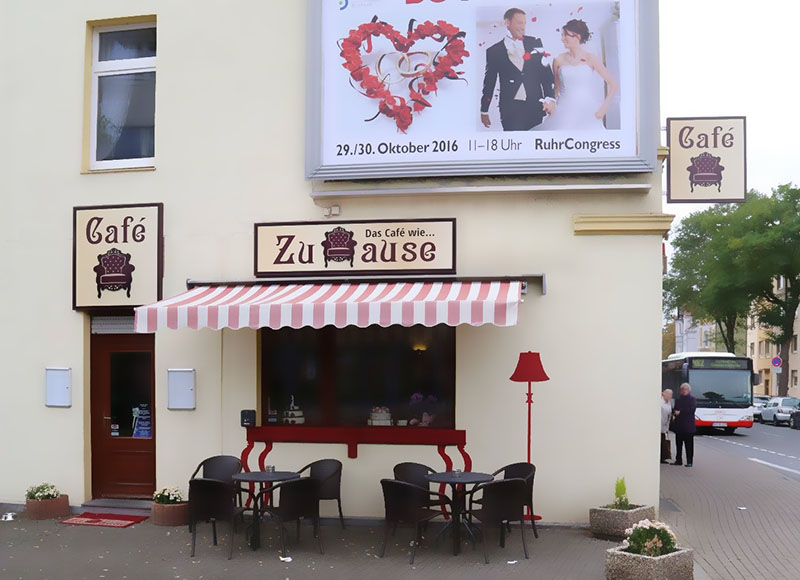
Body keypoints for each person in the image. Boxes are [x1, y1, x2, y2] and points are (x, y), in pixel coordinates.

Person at [480, 8, 555, 131]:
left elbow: (546, 74)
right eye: (519, 23)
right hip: (510, 109)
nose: (523, 27)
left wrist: (550, 98)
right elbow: (489, 82)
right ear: (507, 22)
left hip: (535, 106)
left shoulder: (534, 43)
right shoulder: (494, 51)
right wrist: (484, 110)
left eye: (524, 23)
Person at [549, 19, 618, 130]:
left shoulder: (591, 58)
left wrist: (603, 109)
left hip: (587, 110)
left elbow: (613, 84)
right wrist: (551, 104)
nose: (562, 39)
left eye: (565, 35)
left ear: (577, 36)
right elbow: (556, 88)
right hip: (564, 111)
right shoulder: (558, 60)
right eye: (562, 35)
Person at [671, 383, 697, 467]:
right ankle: (678, 460)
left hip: (689, 427)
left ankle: (689, 461)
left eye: (685, 389)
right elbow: (675, 408)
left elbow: (692, 409)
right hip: (679, 426)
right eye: (682, 389)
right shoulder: (678, 399)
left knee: (689, 445)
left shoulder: (692, 399)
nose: (684, 391)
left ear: (689, 390)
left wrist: (680, 412)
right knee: (678, 445)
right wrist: (674, 411)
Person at [660, 389, 673, 463]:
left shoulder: (669, 403)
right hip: (660, 425)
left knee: (664, 442)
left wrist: (667, 429)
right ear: (664, 394)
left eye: (671, 395)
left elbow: (669, 415)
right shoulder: (660, 402)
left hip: (665, 426)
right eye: (668, 394)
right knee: (661, 442)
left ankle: (663, 458)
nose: (670, 396)